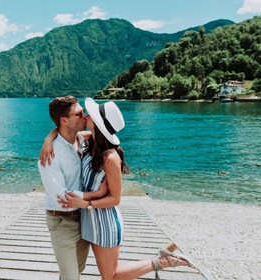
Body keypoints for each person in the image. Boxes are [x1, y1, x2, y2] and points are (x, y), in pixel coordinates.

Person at [40, 98, 194, 280]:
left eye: (87, 114)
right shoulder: (87, 143)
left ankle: (161, 262)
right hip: (83, 220)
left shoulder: (108, 156)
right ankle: (160, 260)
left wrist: (88, 201)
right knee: (76, 274)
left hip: (100, 218)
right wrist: (48, 139)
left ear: (97, 124)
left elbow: (116, 198)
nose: (85, 116)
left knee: (110, 276)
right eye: (80, 113)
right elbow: (62, 130)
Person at [37, 96, 109, 280]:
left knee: (78, 269)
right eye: (79, 113)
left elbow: (106, 135)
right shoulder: (50, 155)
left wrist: (50, 134)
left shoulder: (82, 139)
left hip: (84, 217)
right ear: (64, 120)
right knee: (70, 277)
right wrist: (97, 193)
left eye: (83, 111)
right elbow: (62, 198)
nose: (85, 116)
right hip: (62, 221)